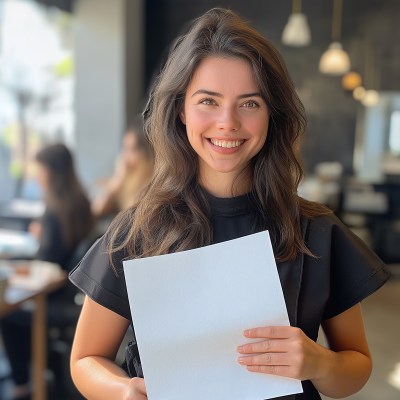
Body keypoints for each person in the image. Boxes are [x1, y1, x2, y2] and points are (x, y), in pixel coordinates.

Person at [69, 9, 391, 400]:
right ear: (180, 111)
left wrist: (318, 363)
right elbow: (86, 359)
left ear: (272, 114)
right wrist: (122, 391)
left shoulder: (315, 230)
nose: (227, 122)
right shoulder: (137, 230)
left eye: (250, 104)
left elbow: (356, 368)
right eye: (208, 101)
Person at [1, 143, 94, 400]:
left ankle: (22, 384)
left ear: (52, 172)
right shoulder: (80, 201)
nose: (36, 177)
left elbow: (46, 260)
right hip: (71, 290)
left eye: (39, 170)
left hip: (53, 293)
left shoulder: (54, 211)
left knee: (7, 312)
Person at [91, 123, 154, 218]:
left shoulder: (151, 181)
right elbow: (97, 210)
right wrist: (117, 179)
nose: (126, 156)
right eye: (125, 148)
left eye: (133, 149)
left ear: (145, 152)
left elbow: (133, 214)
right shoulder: (124, 179)